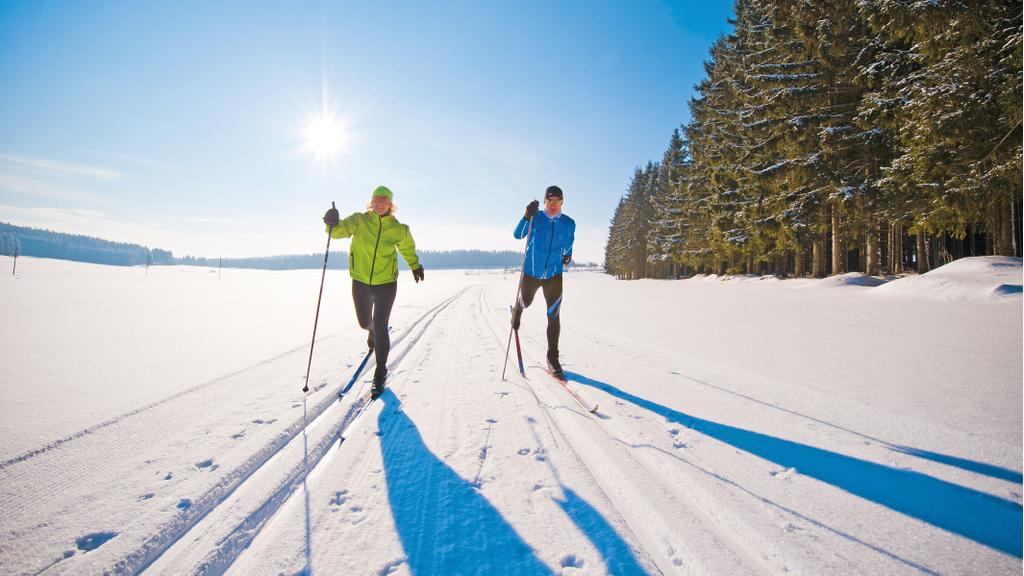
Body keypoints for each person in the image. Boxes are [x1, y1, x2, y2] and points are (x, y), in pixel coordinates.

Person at [323, 185, 424, 398]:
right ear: (371, 202)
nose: (380, 203)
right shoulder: (359, 220)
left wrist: (415, 265)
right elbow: (340, 231)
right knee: (364, 322)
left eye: (384, 200)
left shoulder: (399, 228)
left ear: (390, 205)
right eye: (377, 199)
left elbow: (407, 248)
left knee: (381, 324)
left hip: (386, 282)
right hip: (360, 280)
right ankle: (370, 331)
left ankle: (380, 370)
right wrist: (331, 222)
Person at [511, 185, 575, 379]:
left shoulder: (569, 223)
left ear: (561, 203)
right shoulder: (536, 218)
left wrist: (567, 256)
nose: (553, 205)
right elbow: (518, 234)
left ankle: (553, 358)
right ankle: (518, 309)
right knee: (526, 301)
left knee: (553, 316)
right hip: (531, 273)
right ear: (545, 202)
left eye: (557, 202)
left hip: (554, 276)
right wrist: (526, 215)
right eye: (550, 202)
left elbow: (569, 243)